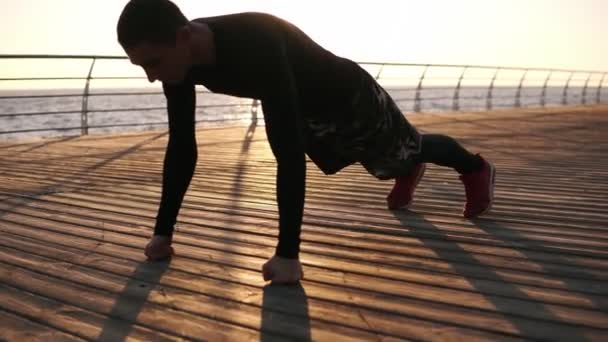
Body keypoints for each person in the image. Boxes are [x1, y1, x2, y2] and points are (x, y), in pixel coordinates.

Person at [116, 0, 496, 284]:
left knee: (409, 148)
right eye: (142, 67)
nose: (152, 77)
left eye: (153, 63)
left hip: (348, 96)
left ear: (183, 37)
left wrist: (287, 256)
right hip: (302, 106)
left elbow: (287, 154)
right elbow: (182, 146)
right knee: (387, 164)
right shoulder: (176, 64)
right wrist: (162, 234)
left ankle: (474, 167)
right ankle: (406, 168)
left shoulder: (254, 40)